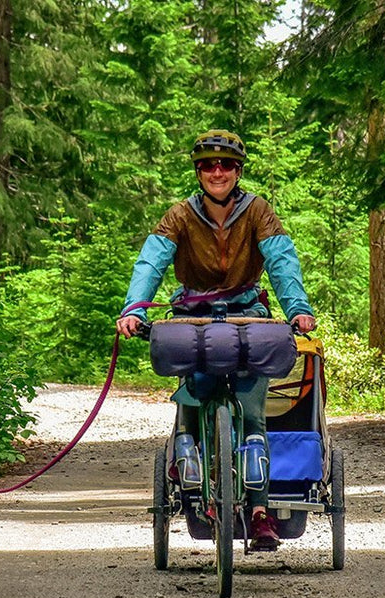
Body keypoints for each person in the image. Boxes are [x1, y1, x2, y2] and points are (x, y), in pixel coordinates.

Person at [116, 129, 316, 552]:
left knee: (252, 410)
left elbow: (281, 261)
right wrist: (135, 307)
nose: (217, 171)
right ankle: (187, 468)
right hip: (193, 316)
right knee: (192, 391)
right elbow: (151, 261)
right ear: (199, 171)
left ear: (238, 171)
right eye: (208, 164)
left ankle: (260, 513)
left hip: (248, 314)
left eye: (226, 164)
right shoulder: (179, 215)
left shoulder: (259, 211)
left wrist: (297, 307)